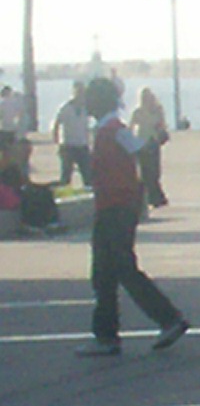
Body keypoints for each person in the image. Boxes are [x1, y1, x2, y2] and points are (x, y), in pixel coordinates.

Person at [80, 78, 189, 355]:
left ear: (100, 100)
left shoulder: (115, 130)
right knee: (104, 273)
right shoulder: (107, 129)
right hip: (112, 206)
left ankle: (167, 318)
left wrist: (145, 189)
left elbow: (143, 151)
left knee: (119, 268)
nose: (86, 103)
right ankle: (107, 335)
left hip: (117, 208)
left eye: (90, 98)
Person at [132, 87, 170, 210]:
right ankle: (153, 198)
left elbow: (163, 124)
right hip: (142, 143)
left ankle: (155, 197)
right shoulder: (138, 111)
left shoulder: (157, 110)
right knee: (145, 172)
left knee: (154, 171)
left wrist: (161, 129)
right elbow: (131, 126)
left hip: (153, 142)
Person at [52, 85, 92, 189]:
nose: (81, 96)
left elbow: (89, 125)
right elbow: (57, 123)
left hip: (83, 145)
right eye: (79, 93)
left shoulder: (86, 109)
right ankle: (64, 192)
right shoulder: (66, 108)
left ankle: (89, 193)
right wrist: (56, 139)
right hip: (68, 145)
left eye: (82, 93)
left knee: (88, 175)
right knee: (66, 175)